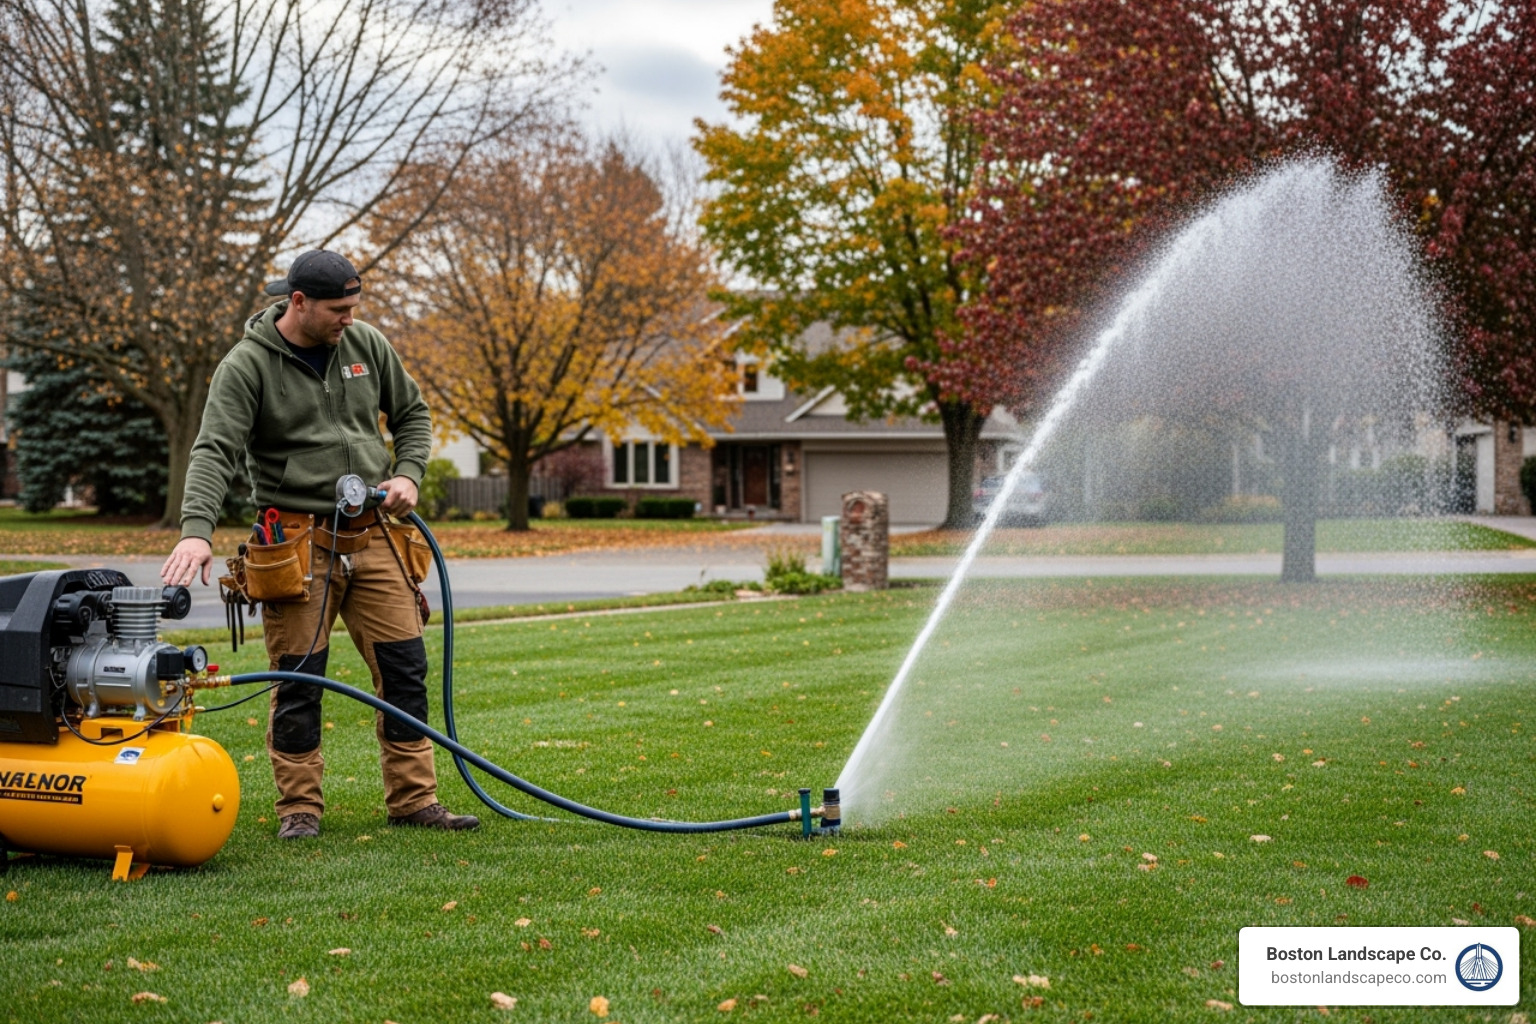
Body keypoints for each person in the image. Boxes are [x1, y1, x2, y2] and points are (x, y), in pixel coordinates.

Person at [160, 250, 479, 839]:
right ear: (298, 302)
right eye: (338, 309)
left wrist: (408, 473)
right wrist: (196, 531)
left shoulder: (367, 344)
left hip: (375, 532)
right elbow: (214, 450)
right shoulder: (246, 364)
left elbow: (413, 413)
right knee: (300, 679)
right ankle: (299, 809)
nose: (349, 319)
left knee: (405, 669)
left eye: (354, 306)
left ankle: (415, 800)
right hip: (296, 542)